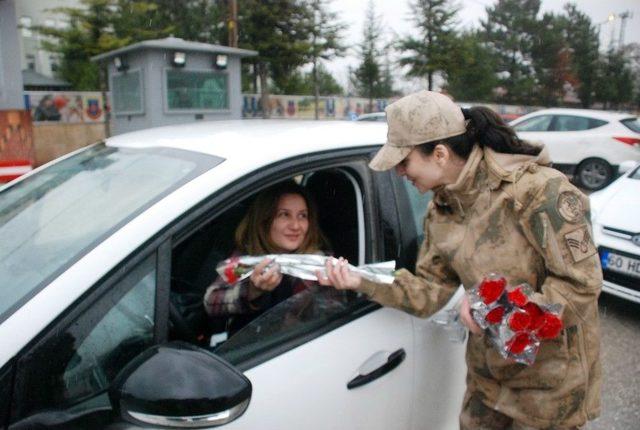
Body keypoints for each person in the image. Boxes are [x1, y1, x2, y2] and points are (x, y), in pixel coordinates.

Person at [319, 91, 602, 430]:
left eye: (403, 162)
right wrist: (359, 279)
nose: (398, 173)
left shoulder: (538, 192)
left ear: (439, 154)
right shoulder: (442, 209)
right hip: (486, 383)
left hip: (548, 392)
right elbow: (430, 289)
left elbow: (581, 286)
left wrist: (498, 309)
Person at [204, 180, 328, 331]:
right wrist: (252, 291)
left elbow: (332, 314)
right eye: (284, 215)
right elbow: (211, 301)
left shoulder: (316, 263)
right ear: (265, 219)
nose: (296, 226)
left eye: (302, 215)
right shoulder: (247, 259)